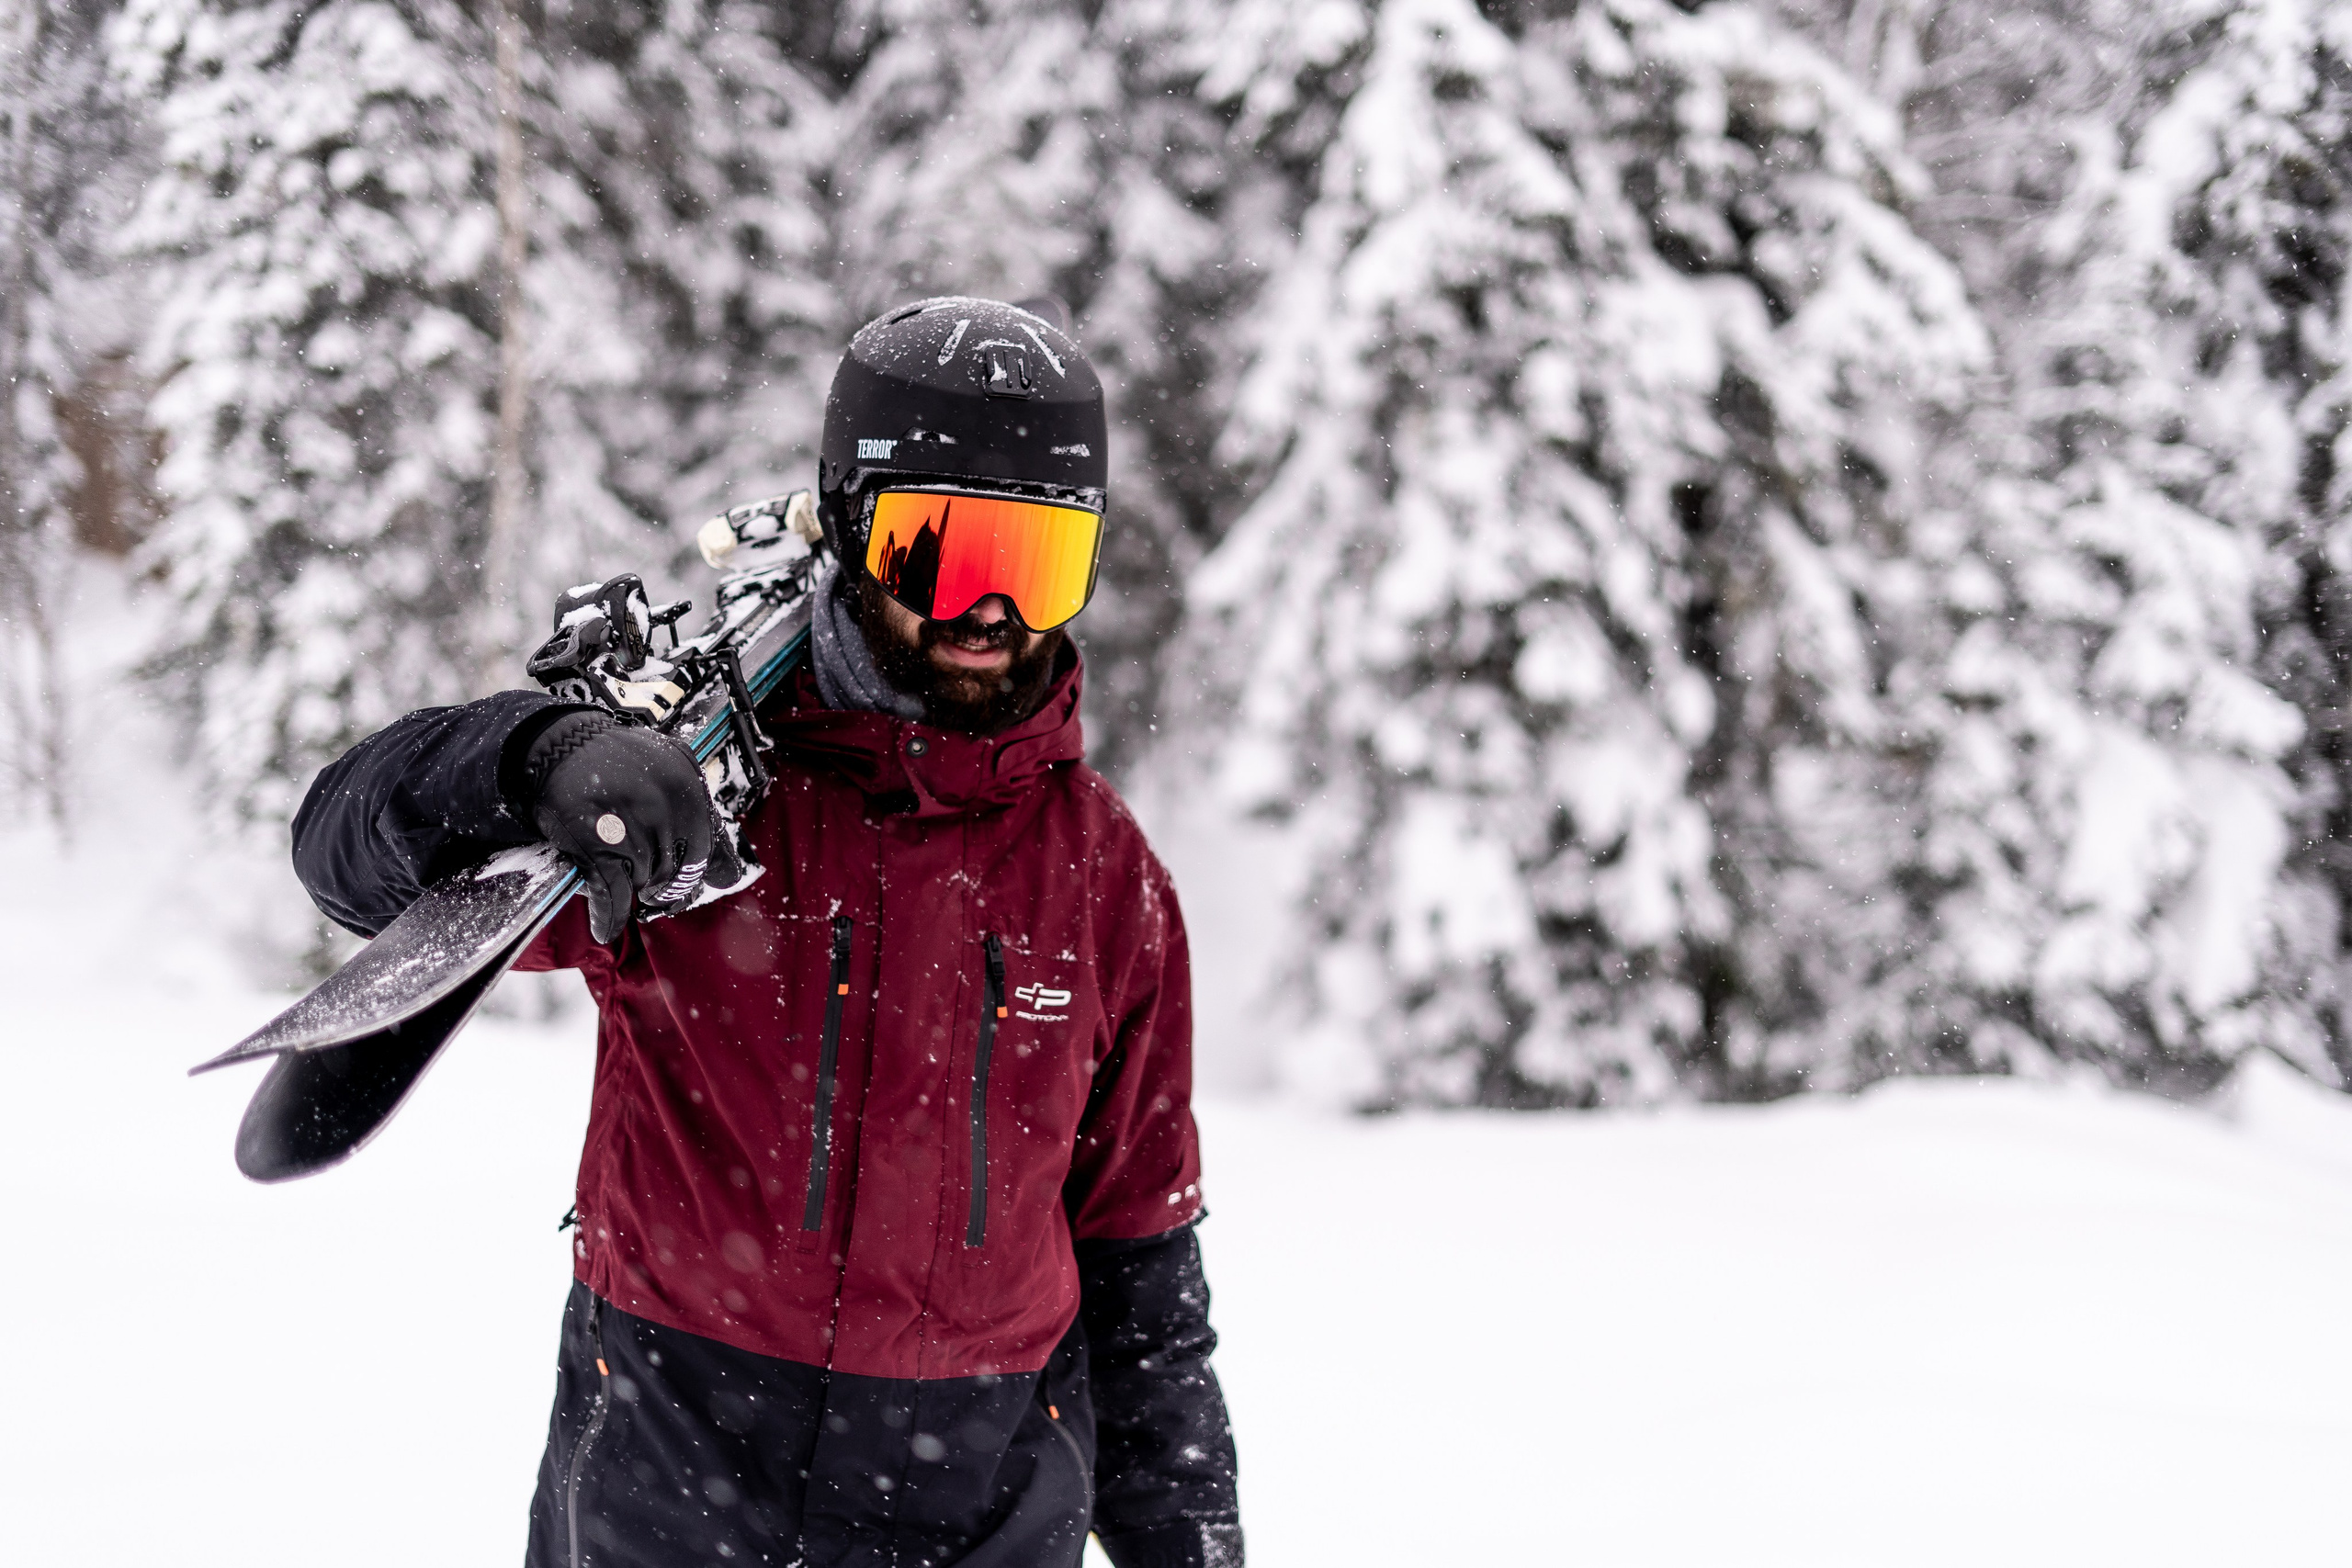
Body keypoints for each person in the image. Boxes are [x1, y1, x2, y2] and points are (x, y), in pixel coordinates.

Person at [288, 297, 1241, 1568]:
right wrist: (530, 755)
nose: (993, 611)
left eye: (1042, 563)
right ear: (848, 527)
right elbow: (344, 851)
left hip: (987, 1513)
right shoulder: (697, 802)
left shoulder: (1104, 873)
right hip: (676, 1489)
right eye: (942, 552)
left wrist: (1193, 1540)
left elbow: (1142, 1265)